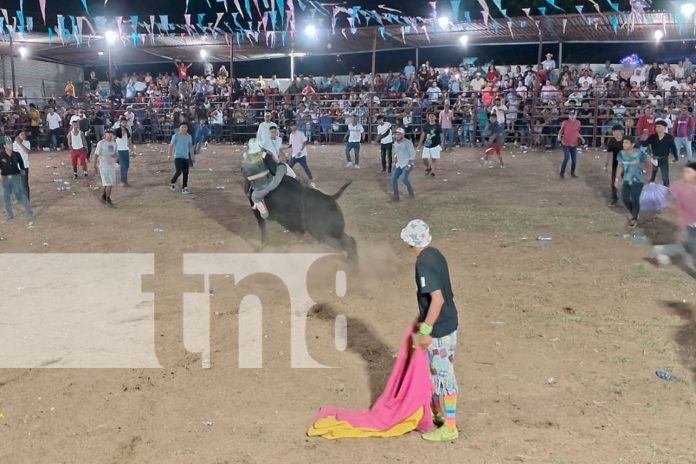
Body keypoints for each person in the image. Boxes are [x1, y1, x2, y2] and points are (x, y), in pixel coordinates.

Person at [400, 219, 459, 442]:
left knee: (443, 375)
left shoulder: (422, 263)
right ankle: (438, 416)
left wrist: (426, 329)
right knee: (436, 373)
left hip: (440, 328)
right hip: (449, 322)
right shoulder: (435, 254)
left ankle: (450, 426)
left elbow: (437, 300)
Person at [653, 162, 696, 270]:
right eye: (684, 171)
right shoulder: (680, 187)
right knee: (692, 248)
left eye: (688, 172)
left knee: (690, 247)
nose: (684, 174)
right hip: (690, 225)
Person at [242, 138, 293, 219]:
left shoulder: (245, 163)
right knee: (282, 166)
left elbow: (247, 180)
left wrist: (246, 192)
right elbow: (274, 169)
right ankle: (295, 178)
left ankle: (264, 214)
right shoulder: (265, 155)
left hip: (258, 189)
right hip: (272, 183)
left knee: (254, 197)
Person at [617, 137, 651, 228]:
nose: (624, 145)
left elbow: (648, 162)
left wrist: (648, 175)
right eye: (623, 143)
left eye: (626, 143)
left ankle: (634, 219)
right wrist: (617, 179)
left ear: (632, 144)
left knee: (635, 200)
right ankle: (634, 214)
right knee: (625, 199)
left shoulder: (639, 153)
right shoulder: (621, 153)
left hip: (638, 180)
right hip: (626, 179)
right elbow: (620, 166)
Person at [0, 136, 33, 225]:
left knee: (20, 195)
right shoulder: (1, 155)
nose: (11, 145)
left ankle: (29, 212)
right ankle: (9, 214)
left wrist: (22, 169)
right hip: (5, 178)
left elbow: (21, 163)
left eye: (11, 143)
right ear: (4, 146)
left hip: (16, 177)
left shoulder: (16, 154)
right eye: (8, 144)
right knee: (6, 197)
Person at [641, 120, 676, 187]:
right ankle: (650, 190)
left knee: (665, 177)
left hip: (664, 159)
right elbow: (644, 144)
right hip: (654, 158)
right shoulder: (653, 136)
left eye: (659, 127)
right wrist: (643, 138)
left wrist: (676, 157)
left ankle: (666, 191)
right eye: (656, 127)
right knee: (652, 176)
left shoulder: (669, 137)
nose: (657, 128)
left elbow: (673, 148)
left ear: (665, 128)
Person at [93, 129, 118, 206]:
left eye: (111, 134)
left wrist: (115, 157)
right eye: (108, 134)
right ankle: (108, 198)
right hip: (104, 166)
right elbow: (96, 154)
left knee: (109, 183)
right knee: (109, 183)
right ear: (105, 134)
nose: (110, 135)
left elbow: (116, 154)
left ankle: (104, 196)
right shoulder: (101, 143)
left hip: (112, 165)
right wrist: (94, 165)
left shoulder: (114, 143)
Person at [557, 111, 585, 179]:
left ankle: (572, 173)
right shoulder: (565, 122)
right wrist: (559, 136)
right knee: (566, 158)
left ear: (575, 115)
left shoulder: (578, 123)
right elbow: (561, 131)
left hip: (574, 143)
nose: (572, 117)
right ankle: (562, 173)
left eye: (573, 115)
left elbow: (576, 132)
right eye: (571, 115)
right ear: (569, 116)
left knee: (574, 160)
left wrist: (582, 138)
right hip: (566, 143)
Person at [168, 123, 194, 195]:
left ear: (187, 128)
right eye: (182, 127)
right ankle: (173, 181)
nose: (183, 128)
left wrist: (192, 156)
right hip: (178, 156)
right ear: (179, 128)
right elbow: (171, 145)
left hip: (185, 156)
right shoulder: (176, 136)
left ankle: (184, 187)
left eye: (185, 127)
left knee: (186, 172)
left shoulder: (189, 137)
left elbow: (190, 147)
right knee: (179, 171)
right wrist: (169, 155)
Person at [391, 127, 416, 201]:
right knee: (393, 179)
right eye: (396, 134)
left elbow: (412, 155)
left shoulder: (408, 143)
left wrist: (409, 165)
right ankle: (396, 194)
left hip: (407, 163)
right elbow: (396, 152)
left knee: (404, 179)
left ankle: (411, 192)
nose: (397, 136)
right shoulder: (395, 143)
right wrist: (395, 158)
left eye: (399, 134)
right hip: (399, 164)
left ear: (403, 135)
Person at [288, 121, 315, 188]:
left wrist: (301, 150)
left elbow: (304, 142)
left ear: (296, 126)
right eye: (291, 126)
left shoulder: (301, 134)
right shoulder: (291, 135)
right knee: (289, 167)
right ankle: (289, 177)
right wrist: (291, 153)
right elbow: (291, 145)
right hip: (294, 154)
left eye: (293, 125)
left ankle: (311, 178)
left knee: (305, 167)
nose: (292, 127)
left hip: (301, 154)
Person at [605, 125, 625, 206]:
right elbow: (609, 154)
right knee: (614, 183)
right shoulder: (612, 141)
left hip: (626, 165)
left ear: (620, 132)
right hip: (616, 165)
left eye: (615, 131)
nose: (613, 133)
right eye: (613, 131)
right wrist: (606, 165)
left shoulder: (626, 140)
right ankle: (614, 199)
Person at [419, 112, 442, 177]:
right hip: (427, 144)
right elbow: (423, 135)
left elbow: (441, 134)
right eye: (430, 116)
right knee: (424, 159)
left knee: (434, 159)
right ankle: (429, 167)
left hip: (435, 144)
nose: (431, 118)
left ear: (435, 117)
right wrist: (420, 144)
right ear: (428, 118)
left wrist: (442, 142)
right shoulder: (425, 125)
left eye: (432, 116)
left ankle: (432, 172)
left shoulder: (438, 126)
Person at [12, 130, 31, 202]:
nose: (24, 136)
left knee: (24, 184)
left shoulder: (27, 143)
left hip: (24, 167)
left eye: (24, 134)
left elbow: (27, 151)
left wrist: (20, 144)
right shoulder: (13, 144)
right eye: (22, 134)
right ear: (17, 136)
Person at [114, 117, 133, 187]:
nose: (124, 124)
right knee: (123, 166)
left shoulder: (127, 130)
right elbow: (113, 139)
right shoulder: (117, 130)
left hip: (125, 150)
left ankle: (124, 179)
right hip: (120, 150)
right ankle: (123, 181)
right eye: (123, 122)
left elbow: (129, 141)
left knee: (126, 165)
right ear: (120, 123)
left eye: (125, 122)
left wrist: (132, 151)